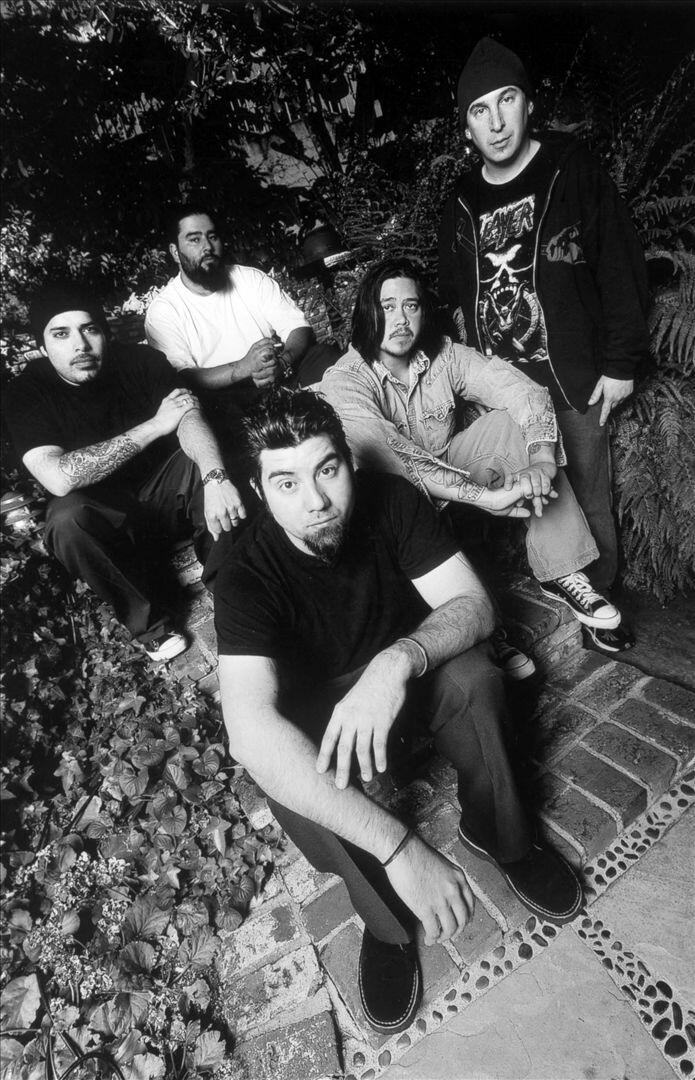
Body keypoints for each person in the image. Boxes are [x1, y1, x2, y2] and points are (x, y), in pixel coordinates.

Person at [214, 386, 583, 1036]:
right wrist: (400, 848)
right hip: (331, 722)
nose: (315, 500)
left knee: (476, 676)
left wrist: (397, 661)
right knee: (288, 776)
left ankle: (503, 834)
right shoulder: (243, 572)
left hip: (408, 674)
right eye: (286, 482)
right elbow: (248, 733)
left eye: (327, 469)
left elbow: (473, 606)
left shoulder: (391, 499)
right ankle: (385, 924)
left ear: (348, 462)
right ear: (258, 490)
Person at [438, 37, 650, 652]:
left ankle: (599, 607)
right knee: (533, 493)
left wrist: (620, 363)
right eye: (479, 109)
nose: (496, 121)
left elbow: (620, 265)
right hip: (501, 390)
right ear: (467, 127)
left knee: (585, 491)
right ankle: (538, 592)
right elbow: (453, 296)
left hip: (573, 375)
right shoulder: (460, 201)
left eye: (507, 100)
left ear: (529, 104)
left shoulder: (571, 168)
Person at [321, 257, 626, 648]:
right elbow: (392, 456)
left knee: (511, 421)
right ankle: (485, 640)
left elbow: (522, 391)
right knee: (395, 521)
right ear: (368, 311)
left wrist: (541, 459)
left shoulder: (444, 355)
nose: (400, 319)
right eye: (388, 306)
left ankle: (562, 570)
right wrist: (485, 497)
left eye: (411, 305)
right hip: (393, 508)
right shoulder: (345, 379)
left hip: (450, 476)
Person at [6, 282, 246, 662]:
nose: (80, 345)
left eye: (90, 329)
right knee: (66, 520)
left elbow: (188, 414)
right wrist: (155, 425)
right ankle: (152, 627)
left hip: (165, 493)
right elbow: (58, 477)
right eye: (61, 334)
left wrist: (215, 476)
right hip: (105, 519)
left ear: (105, 333)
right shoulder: (25, 393)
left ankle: (239, 593)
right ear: (42, 346)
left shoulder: (141, 361)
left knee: (203, 462)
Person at [144, 203, 339, 453]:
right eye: (194, 239)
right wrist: (243, 368)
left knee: (324, 356)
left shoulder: (249, 278)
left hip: (277, 374)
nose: (207, 246)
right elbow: (183, 375)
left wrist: (284, 362)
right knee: (206, 409)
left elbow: (298, 327)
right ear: (174, 251)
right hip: (225, 395)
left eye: (212, 236)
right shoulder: (164, 310)